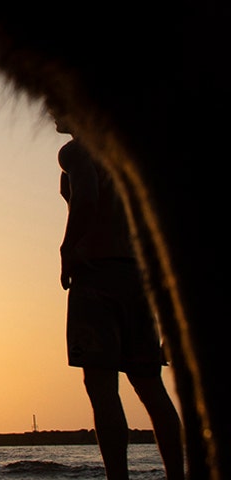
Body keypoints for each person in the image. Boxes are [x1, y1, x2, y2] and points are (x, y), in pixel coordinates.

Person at [58, 121, 184, 480]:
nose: (49, 110)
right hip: (137, 276)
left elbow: (87, 197)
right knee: (150, 386)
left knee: (101, 388)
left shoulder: (77, 151)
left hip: (97, 274)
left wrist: (68, 248)